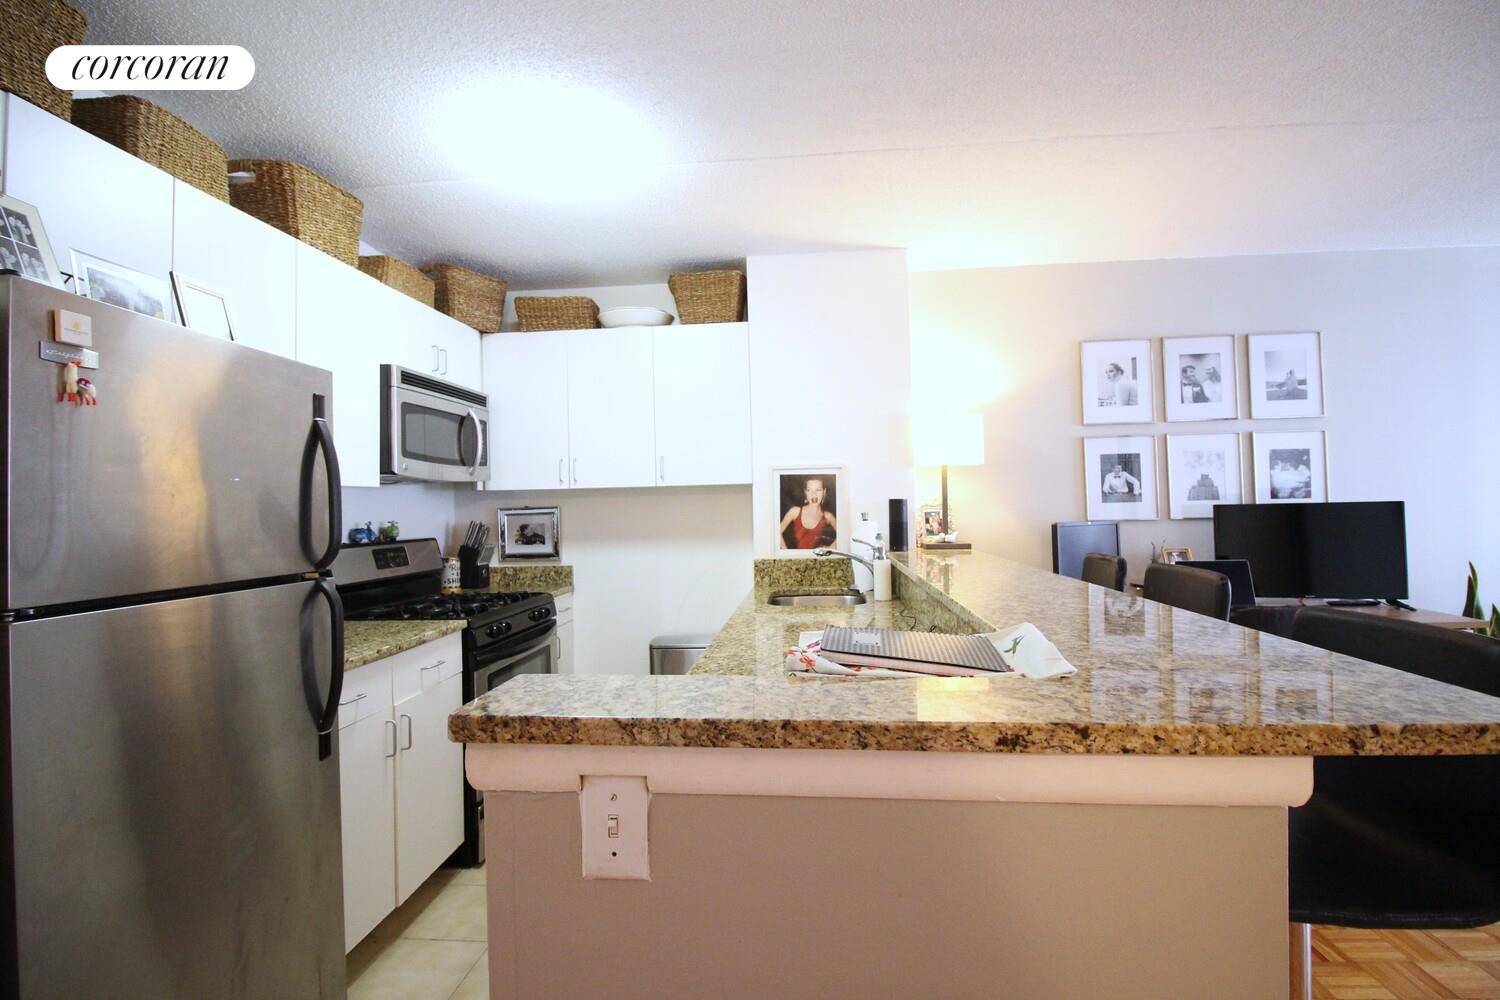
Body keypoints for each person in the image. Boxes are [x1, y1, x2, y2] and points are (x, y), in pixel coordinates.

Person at [779, 477, 837, 549]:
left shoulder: (828, 516)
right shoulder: (795, 511)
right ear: (805, 492)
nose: (813, 494)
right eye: (809, 490)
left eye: (818, 490)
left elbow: (843, 533)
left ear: (824, 492)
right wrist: (786, 552)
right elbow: (777, 532)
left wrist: (831, 548)